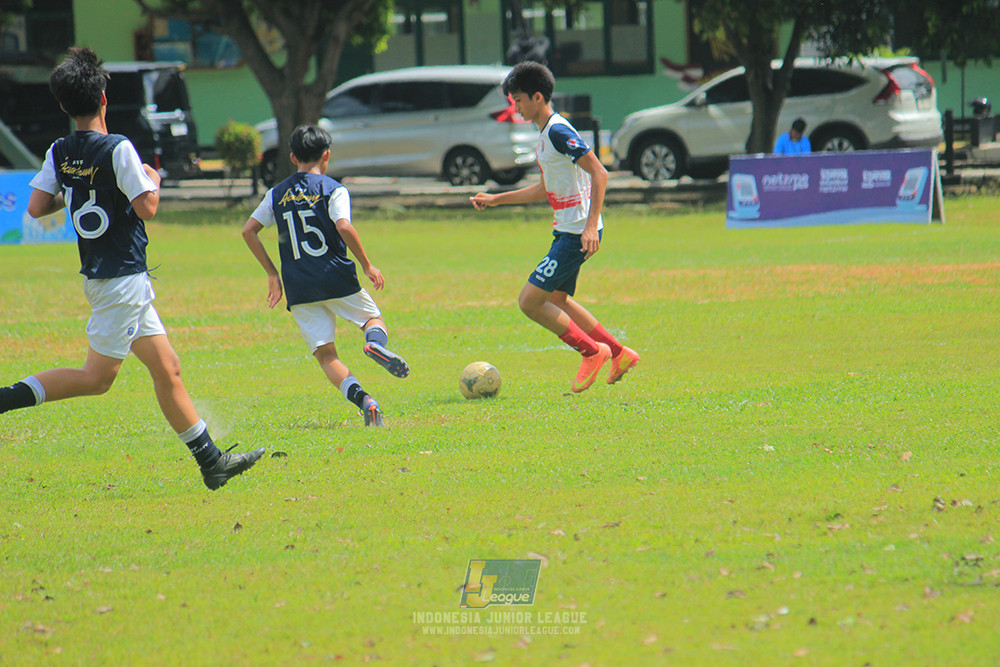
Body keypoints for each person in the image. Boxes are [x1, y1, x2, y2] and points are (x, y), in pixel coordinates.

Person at [0, 47, 264, 490]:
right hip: (121, 279)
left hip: (114, 278)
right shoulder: (118, 147)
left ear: (65, 106)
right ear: (104, 97)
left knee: (168, 368)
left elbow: (37, 206)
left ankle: (212, 463)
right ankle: (4, 399)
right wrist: (153, 180)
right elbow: (149, 208)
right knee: (96, 379)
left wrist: (82, 186)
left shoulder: (60, 150)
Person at [470, 61, 639, 392]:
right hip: (568, 229)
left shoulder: (559, 132)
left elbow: (600, 173)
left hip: (577, 232)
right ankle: (619, 353)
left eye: (517, 100)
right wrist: (496, 199)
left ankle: (592, 352)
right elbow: (544, 190)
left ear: (536, 97)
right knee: (558, 299)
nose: (515, 107)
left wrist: (591, 227)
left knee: (529, 302)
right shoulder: (545, 134)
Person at [242, 125, 408, 427]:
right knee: (373, 320)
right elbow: (343, 226)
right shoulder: (333, 189)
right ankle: (374, 344)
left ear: (293, 157)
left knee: (326, 355)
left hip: (299, 285)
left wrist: (272, 274)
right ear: (327, 155)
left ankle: (365, 401)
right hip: (334, 275)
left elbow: (249, 230)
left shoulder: (276, 194)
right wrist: (368, 265)